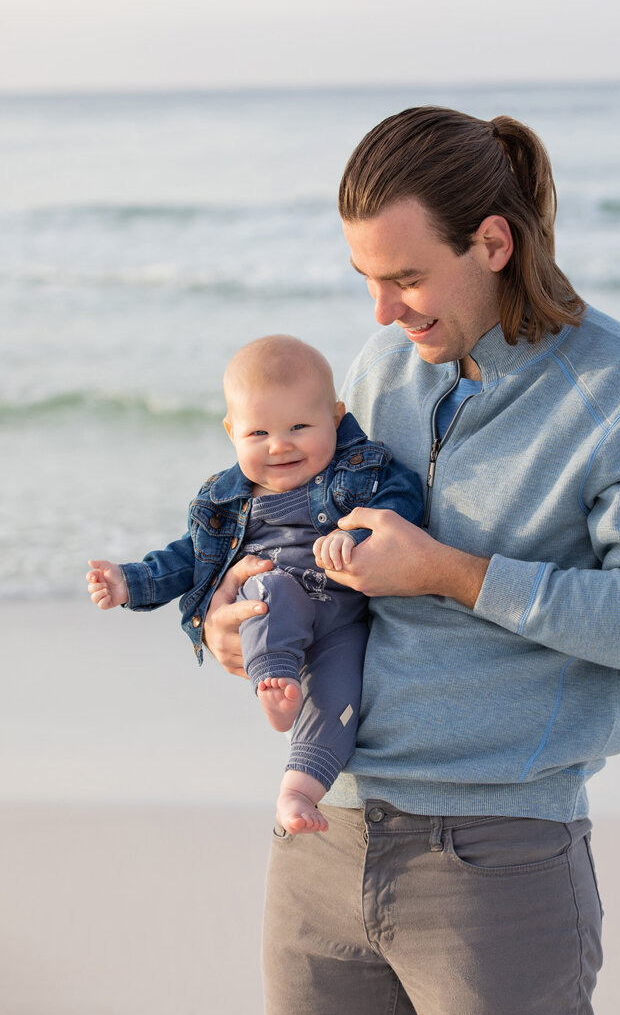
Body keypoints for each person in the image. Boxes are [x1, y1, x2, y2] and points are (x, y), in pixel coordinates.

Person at [203, 107, 620, 1015]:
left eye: (406, 278)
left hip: (496, 864)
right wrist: (226, 613)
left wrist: (453, 572)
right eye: (367, 279)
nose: (381, 312)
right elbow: (293, 535)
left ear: (492, 242)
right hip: (324, 835)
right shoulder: (376, 371)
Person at [86, 334, 424, 834]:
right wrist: (130, 583)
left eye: (299, 426)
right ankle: (274, 678)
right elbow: (187, 559)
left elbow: (404, 496)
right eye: (258, 432)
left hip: (343, 620)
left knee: (340, 692)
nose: (279, 444)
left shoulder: (358, 472)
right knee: (269, 590)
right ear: (231, 431)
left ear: (335, 417)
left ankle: (298, 789)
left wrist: (358, 531)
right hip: (276, 604)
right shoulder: (223, 505)